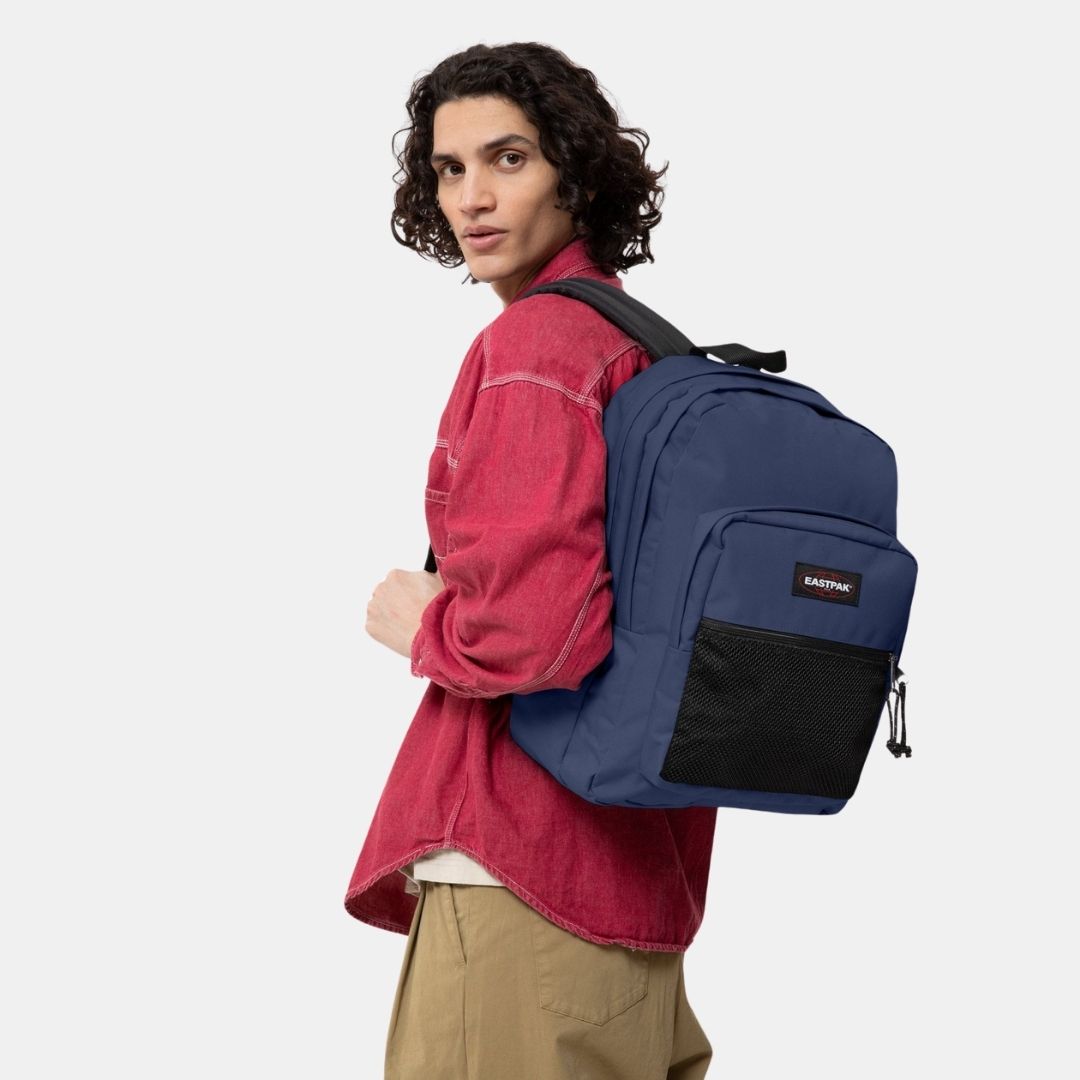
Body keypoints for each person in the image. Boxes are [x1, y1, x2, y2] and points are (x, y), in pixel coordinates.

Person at [345, 41, 717, 1079]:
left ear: (573, 172)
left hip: (517, 881)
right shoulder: (644, 346)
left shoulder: (537, 349)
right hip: (635, 893)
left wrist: (421, 625)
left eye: (507, 159)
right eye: (449, 168)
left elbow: (534, 635)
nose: (471, 196)